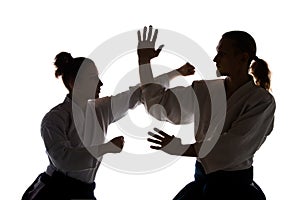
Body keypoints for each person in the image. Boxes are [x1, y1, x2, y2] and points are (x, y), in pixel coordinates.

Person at [22, 52, 195, 200]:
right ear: (74, 82)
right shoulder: (54, 118)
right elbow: (63, 160)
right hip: (53, 192)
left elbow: (139, 91)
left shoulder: (101, 109)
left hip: (84, 192)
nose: (100, 83)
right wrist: (104, 148)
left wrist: (176, 73)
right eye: (93, 78)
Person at [137, 26, 276, 199]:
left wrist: (179, 147)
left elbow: (231, 149)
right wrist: (144, 61)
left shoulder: (262, 101)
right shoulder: (205, 90)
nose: (215, 59)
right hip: (201, 184)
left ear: (243, 57)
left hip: (237, 191)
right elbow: (157, 104)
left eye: (222, 53)